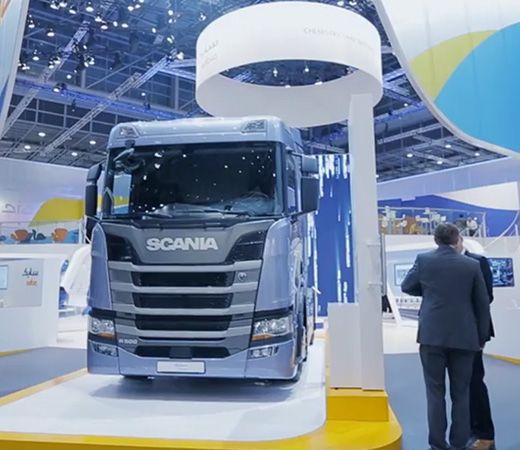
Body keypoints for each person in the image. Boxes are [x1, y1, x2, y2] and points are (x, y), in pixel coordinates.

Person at [401, 223, 490, 450]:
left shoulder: (423, 260)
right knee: (461, 394)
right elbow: (482, 304)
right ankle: (459, 444)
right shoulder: (471, 265)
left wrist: (428, 291)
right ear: (457, 239)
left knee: (435, 393)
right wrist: (481, 338)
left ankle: (438, 444)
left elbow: (406, 286)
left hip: (432, 336)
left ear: (435, 240)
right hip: (465, 338)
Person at [455, 237, 496, 450]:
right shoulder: (445, 264)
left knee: (474, 381)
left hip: (473, 331)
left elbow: (487, 296)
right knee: (460, 384)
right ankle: (469, 430)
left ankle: (485, 434)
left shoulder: (478, 262)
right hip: (452, 332)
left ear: (460, 241)